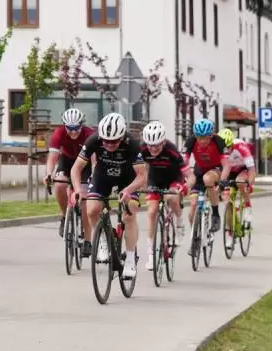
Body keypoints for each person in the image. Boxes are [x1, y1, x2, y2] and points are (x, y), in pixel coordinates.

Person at [71, 112, 146, 279]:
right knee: (92, 210)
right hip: (102, 175)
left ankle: (130, 259)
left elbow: (142, 176)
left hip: (127, 178)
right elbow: (76, 168)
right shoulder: (93, 140)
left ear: (122, 137)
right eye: (106, 141)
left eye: (114, 141)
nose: (109, 145)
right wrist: (77, 189)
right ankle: (103, 241)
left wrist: (128, 190)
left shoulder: (132, 143)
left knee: (129, 214)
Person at [139, 121, 193, 269]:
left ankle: (179, 221)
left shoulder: (172, 150)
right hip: (155, 179)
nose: (152, 148)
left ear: (163, 142)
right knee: (151, 212)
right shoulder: (142, 149)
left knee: (172, 198)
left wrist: (184, 187)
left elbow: (190, 176)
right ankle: (151, 255)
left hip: (173, 178)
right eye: (150, 145)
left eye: (156, 145)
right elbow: (137, 170)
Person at [44, 108, 94, 257]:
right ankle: (64, 216)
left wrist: (94, 176)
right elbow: (53, 157)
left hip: (85, 164)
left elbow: (94, 160)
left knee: (84, 201)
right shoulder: (59, 133)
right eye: (69, 128)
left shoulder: (89, 134)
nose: (73, 132)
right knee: (59, 184)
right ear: (65, 126)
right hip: (66, 161)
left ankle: (87, 241)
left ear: (81, 125)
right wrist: (49, 173)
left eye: (76, 128)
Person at [182, 118, 231, 234]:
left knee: (208, 179)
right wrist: (183, 178)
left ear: (211, 135)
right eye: (199, 137)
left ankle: (215, 214)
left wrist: (223, 180)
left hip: (216, 169)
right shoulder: (191, 141)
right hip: (199, 170)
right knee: (193, 205)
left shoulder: (218, 141)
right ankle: (195, 236)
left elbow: (227, 165)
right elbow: (183, 162)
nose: (202, 141)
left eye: (205, 137)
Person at [218, 128, 256, 226]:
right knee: (227, 199)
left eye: (229, 147)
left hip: (243, 168)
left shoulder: (241, 147)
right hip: (230, 170)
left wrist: (249, 184)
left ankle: (247, 207)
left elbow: (252, 169)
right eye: (224, 148)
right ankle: (230, 229)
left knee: (240, 181)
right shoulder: (218, 149)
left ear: (232, 143)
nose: (227, 150)